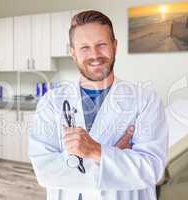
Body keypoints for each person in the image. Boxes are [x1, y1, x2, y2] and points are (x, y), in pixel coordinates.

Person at [29, 10, 169, 200]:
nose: (94, 55)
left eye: (101, 45)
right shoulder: (51, 102)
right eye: (84, 47)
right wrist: (114, 159)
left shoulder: (145, 100)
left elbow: (151, 170)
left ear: (115, 46)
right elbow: (45, 172)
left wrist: (96, 150)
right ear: (73, 53)